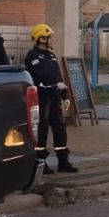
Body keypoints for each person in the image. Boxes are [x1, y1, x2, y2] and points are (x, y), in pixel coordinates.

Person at [25, 24, 76, 174]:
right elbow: (43, 74)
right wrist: (55, 83)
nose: (52, 40)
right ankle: (40, 162)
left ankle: (63, 160)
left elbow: (57, 75)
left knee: (60, 127)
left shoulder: (51, 55)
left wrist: (64, 94)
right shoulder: (33, 56)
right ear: (41, 38)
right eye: (49, 37)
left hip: (54, 96)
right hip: (41, 97)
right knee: (41, 130)